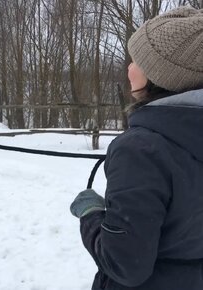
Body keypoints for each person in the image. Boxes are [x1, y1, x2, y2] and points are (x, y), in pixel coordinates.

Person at [69, 6, 203, 290]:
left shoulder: (140, 150)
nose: (129, 68)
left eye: (137, 61)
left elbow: (125, 264)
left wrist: (90, 214)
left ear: (163, 75)